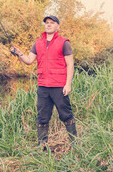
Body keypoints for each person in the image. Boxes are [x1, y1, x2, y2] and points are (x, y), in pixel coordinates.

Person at [11, 15, 77, 150]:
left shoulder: (64, 42)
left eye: (52, 23)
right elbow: (29, 60)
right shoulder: (38, 43)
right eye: (46, 23)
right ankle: (42, 146)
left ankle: (75, 144)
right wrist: (19, 53)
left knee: (66, 114)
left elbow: (70, 64)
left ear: (57, 26)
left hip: (59, 85)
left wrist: (68, 84)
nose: (48, 25)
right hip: (43, 86)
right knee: (42, 117)